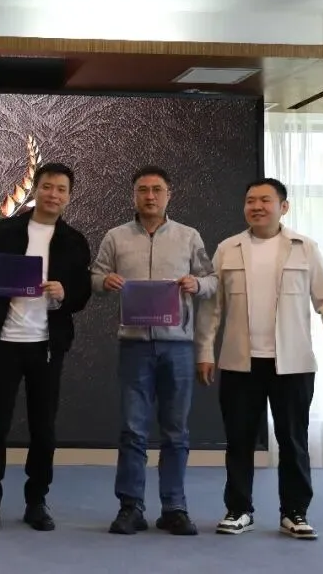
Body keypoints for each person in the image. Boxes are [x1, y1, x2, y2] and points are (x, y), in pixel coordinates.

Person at [196, 177, 323, 540]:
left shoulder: (305, 248)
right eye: (251, 200)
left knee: (293, 440)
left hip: (293, 364)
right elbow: (212, 308)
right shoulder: (228, 249)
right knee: (239, 441)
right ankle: (239, 510)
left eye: (265, 200)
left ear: (284, 207)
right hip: (240, 363)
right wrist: (205, 351)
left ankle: (294, 513)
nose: (257, 206)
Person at [0, 162, 93, 533]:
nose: (53, 194)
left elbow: (82, 294)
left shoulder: (74, 240)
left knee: (43, 428)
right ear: (36, 189)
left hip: (47, 346)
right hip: (5, 342)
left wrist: (65, 293)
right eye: (47, 186)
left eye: (61, 189)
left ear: (69, 196)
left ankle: (36, 501)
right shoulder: (4, 229)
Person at [90, 165, 216, 536]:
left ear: (168, 194)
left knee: (176, 431)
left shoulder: (188, 236)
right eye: (143, 190)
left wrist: (196, 284)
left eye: (156, 190)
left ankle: (174, 507)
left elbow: (212, 280)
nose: (150, 196)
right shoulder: (115, 237)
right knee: (133, 430)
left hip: (178, 347)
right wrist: (105, 281)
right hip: (134, 346)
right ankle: (131, 507)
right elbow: (94, 277)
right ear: (134, 195)